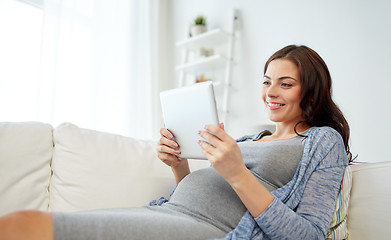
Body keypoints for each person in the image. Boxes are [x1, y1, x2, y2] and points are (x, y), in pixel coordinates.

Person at [0, 45, 352, 240]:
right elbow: (205, 189)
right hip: (167, 211)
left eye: (285, 84)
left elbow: (307, 236)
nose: (270, 92)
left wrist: (237, 172)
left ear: (312, 90)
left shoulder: (323, 141)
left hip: (204, 229)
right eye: (266, 81)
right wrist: (179, 164)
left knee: (25, 225)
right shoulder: (253, 137)